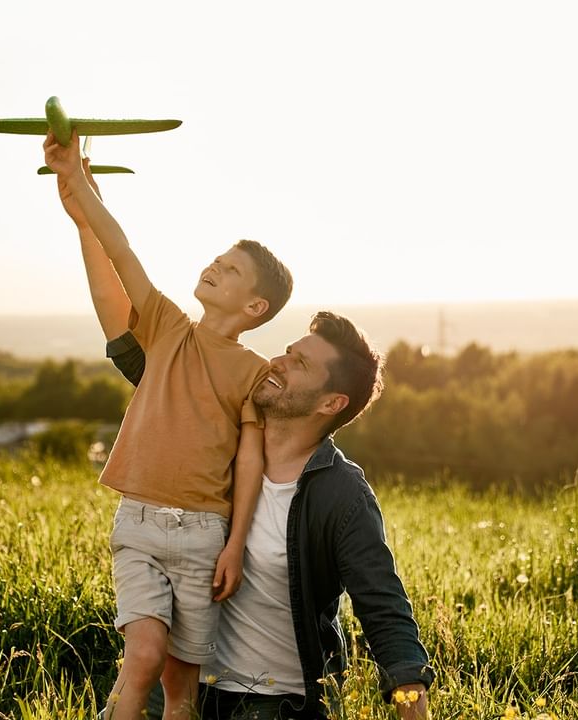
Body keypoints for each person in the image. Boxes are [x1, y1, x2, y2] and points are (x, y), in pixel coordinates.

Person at [61, 158, 432, 718]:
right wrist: (85, 215)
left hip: (273, 703)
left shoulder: (339, 495)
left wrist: (410, 699)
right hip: (190, 690)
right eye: (287, 350)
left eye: (299, 364)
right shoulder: (210, 419)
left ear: (332, 403)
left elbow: (383, 607)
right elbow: (121, 313)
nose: (278, 362)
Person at [45, 132, 293, 720]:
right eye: (218, 258)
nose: (214, 265)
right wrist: (77, 185)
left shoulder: (253, 374)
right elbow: (122, 253)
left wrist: (234, 543)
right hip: (138, 522)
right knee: (143, 657)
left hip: (206, 538)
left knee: (182, 688)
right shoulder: (165, 326)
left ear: (255, 307)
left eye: (231, 269)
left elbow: (252, 462)